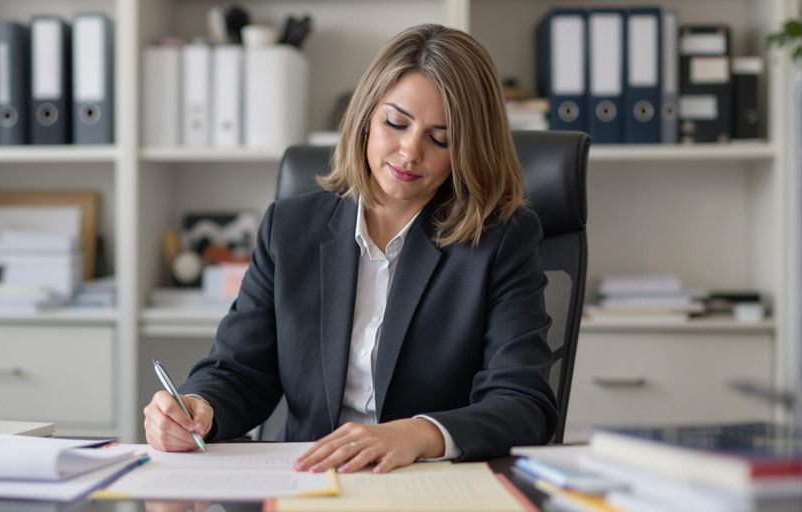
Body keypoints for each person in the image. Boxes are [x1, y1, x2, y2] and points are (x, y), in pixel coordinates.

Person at [143, 23, 557, 474]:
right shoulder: (290, 227)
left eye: (441, 139)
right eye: (395, 123)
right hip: (307, 482)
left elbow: (523, 403)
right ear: (365, 117)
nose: (409, 152)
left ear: (470, 151)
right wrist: (196, 407)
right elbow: (240, 371)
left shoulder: (500, 240)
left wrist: (418, 434)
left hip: (425, 484)